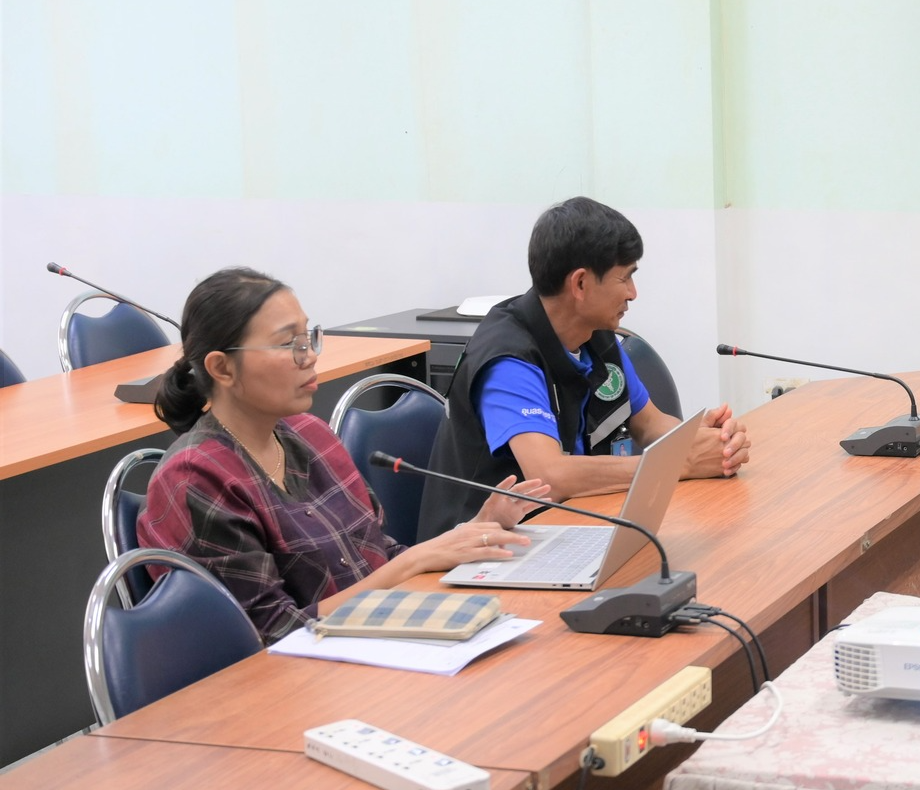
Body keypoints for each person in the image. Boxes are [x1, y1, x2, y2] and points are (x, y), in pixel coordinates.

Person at [138, 268, 547, 642]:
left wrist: (475, 530)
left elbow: (379, 556)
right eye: (289, 344)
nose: (311, 356)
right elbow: (270, 637)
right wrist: (417, 560)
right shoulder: (195, 478)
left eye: (309, 337)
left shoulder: (310, 435)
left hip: (372, 641)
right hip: (293, 687)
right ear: (222, 369)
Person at [418, 197, 748, 541]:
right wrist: (681, 463)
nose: (633, 294)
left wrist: (707, 442)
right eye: (625, 278)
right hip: (476, 552)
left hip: (561, 531)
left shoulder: (596, 336)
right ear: (580, 284)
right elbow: (550, 477)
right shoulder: (508, 358)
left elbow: (650, 423)